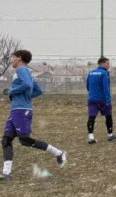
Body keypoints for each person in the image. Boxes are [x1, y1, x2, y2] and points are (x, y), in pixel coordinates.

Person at [2, 50, 67, 180]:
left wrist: (12, 91)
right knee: (6, 140)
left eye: (13, 57)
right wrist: (24, 96)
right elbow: (39, 90)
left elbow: (27, 85)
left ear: (19, 58)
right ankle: (6, 173)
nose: (12, 60)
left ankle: (59, 153)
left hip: (21, 110)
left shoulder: (21, 70)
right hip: (16, 110)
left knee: (25, 140)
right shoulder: (27, 73)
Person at [86, 56, 116, 144]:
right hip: (103, 100)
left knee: (91, 117)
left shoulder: (91, 73)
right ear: (102, 63)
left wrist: (93, 93)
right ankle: (110, 135)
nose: (108, 65)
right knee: (108, 116)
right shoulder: (104, 73)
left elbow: (87, 86)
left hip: (92, 99)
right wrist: (108, 100)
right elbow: (106, 88)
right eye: (107, 63)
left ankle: (91, 137)